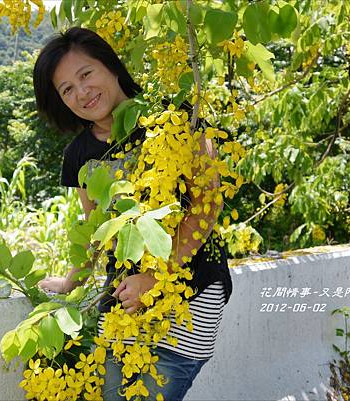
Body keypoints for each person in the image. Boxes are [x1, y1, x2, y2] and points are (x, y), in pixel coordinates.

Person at [33, 27, 232, 401]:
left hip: (189, 292)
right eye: (66, 90)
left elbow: (209, 202)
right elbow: (97, 230)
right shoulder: (78, 155)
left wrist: (156, 276)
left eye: (85, 75)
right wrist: (71, 282)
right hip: (125, 304)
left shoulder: (175, 117)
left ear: (110, 66)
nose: (81, 93)